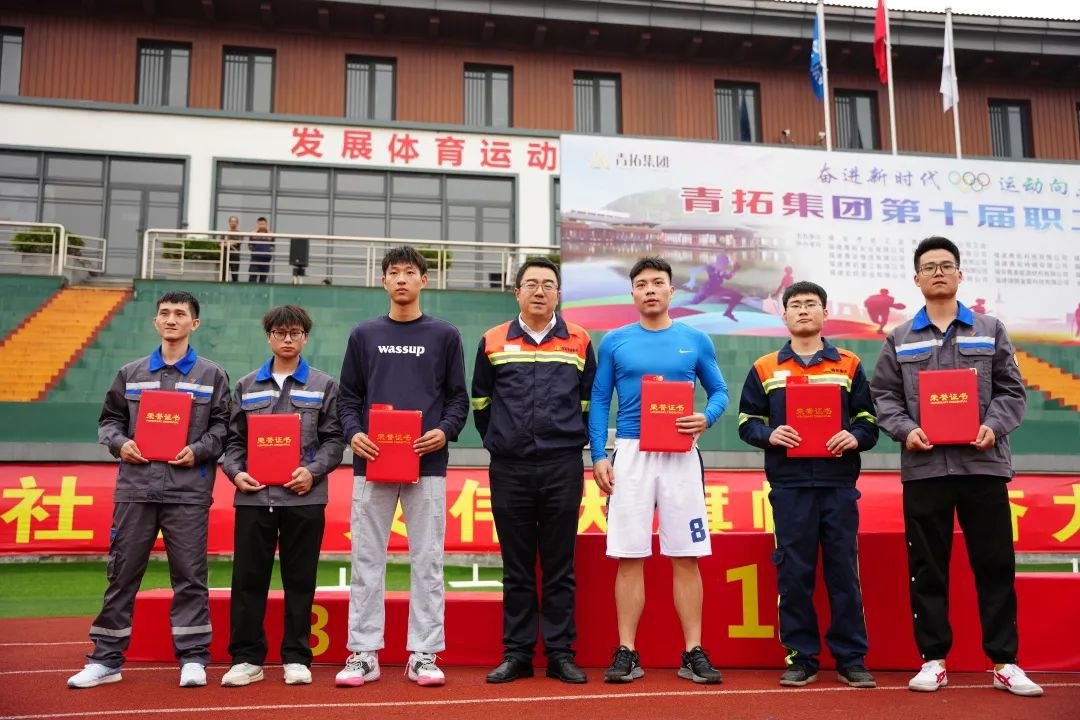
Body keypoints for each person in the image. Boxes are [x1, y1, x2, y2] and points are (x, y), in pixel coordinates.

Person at [870, 236, 1042, 697]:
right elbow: (883, 396)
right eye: (930, 267)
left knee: (994, 563)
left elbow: (1012, 390)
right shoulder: (899, 338)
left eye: (946, 265)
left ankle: (1005, 662)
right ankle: (934, 660)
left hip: (983, 464)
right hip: (925, 468)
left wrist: (993, 426)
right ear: (917, 279)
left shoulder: (989, 329)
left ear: (960, 274)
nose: (939, 272)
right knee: (927, 566)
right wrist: (906, 430)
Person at [67, 291, 230, 689]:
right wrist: (120, 443)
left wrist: (198, 450)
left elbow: (223, 429)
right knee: (122, 574)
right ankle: (106, 660)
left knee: (190, 576)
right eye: (164, 313)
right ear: (155, 321)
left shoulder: (212, 375)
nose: (171, 319)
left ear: (194, 324)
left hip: (187, 492)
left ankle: (193, 658)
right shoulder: (130, 373)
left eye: (180, 314)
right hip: (135, 490)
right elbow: (109, 421)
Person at [589, 256, 728, 685]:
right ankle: (627, 651)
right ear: (632, 293)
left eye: (657, 283)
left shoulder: (696, 339)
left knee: (686, 554)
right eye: (642, 284)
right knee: (629, 554)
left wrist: (706, 417)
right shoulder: (614, 341)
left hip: (680, 453)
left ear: (672, 291)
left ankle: (693, 651)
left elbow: (720, 391)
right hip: (631, 453)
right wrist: (599, 454)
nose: (650, 289)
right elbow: (599, 399)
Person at [335, 245, 469, 688]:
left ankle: (423, 654)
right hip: (371, 463)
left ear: (423, 280)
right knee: (366, 559)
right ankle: (363, 653)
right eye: (393, 272)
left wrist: (445, 431)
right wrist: (354, 433)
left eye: (409, 272)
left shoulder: (445, 335)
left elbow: (458, 398)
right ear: (383, 281)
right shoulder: (364, 334)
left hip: (427, 464)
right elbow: (348, 397)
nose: (401, 279)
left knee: (427, 560)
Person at [737, 280, 879, 689]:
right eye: (795, 304)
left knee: (843, 573)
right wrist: (770, 435)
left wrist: (854, 436)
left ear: (824, 312)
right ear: (784, 315)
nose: (803, 310)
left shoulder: (849, 364)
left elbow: (869, 421)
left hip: (838, 484)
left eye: (811, 304)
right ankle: (801, 657)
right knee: (794, 574)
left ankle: (851, 658)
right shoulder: (765, 367)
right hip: (790, 486)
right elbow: (747, 421)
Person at [471, 257, 596, 685]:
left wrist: (569, 439)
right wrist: (500, 441)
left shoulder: (579, 340)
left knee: (560, 565)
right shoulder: (492, 340)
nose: (539, 291)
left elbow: (587, 402)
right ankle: (518, 654)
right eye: (531, 284)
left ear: (559, 293)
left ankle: (560, 654)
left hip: (563, 465)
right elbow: (481, 403)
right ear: (517, 292)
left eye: (548, 284)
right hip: (510, 468)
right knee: (517, 566)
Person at [219, 305, 344, 687]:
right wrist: (236, 473)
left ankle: (296, 657)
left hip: (304, 497)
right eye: (280, 332)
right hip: (254, 497)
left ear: (305, 337)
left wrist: (313, 471)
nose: (287, 339)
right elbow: (233, 441)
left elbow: (334, 440)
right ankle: (246, 658)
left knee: (300, 580)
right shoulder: (246, 386)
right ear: (268, 337)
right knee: (248, 580)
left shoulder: (324, 385)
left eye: (295, 333)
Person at [248, 217, 272, 284]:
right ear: (257, 224)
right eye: (260, 224)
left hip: (266, 260)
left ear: (266, 224)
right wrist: (255, 250)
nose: (261, 226)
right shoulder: (253, 233)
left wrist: (267, 251)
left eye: (263, 224)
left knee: (263, 280)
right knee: (252, 278)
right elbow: (250, 246)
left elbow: (272, 247)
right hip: (255, 259)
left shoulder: (270, 234)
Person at [221, 215, 241, 283]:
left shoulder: (240, 234)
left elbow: (237, 243)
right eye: (232, 221)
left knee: (235, 274)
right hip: (225, 255)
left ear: (237, 223)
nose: (233, 223)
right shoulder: (225, 234)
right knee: (223, 274)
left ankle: (235, 287)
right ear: (229, 223)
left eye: (235, 222)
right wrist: (228, 244)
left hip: (235, 256)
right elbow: (220, 244)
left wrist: (227, 244)